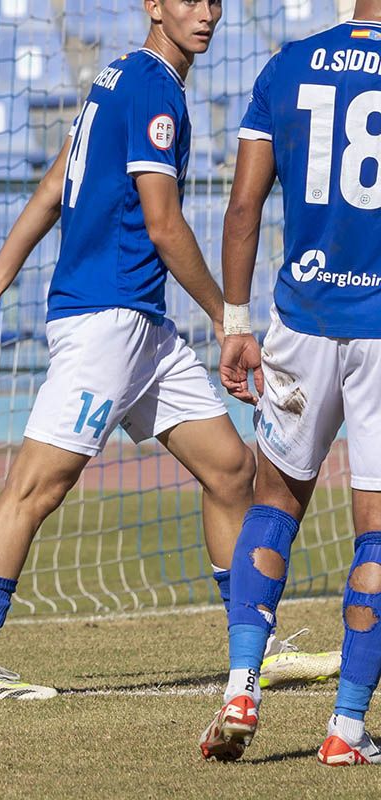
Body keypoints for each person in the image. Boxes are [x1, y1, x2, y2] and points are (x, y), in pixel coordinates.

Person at [0, 0, 297, 701]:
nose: (207, 13)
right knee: (37, 488)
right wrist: (228, 315)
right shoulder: (154, 85)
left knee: (230, 470)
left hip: (143, 326)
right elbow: (163, 225)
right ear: (153, 7)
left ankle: (256, 647)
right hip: (107, 321)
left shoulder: (116, 76)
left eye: (216, 1)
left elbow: (52, 185)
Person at [199, 2, 381, 766]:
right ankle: (345, 728)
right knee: (375, 529)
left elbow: (244, 208)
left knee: (274, 501)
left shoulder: (287, 64)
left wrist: (234, 321)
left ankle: (243, 684)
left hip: (300, 319)